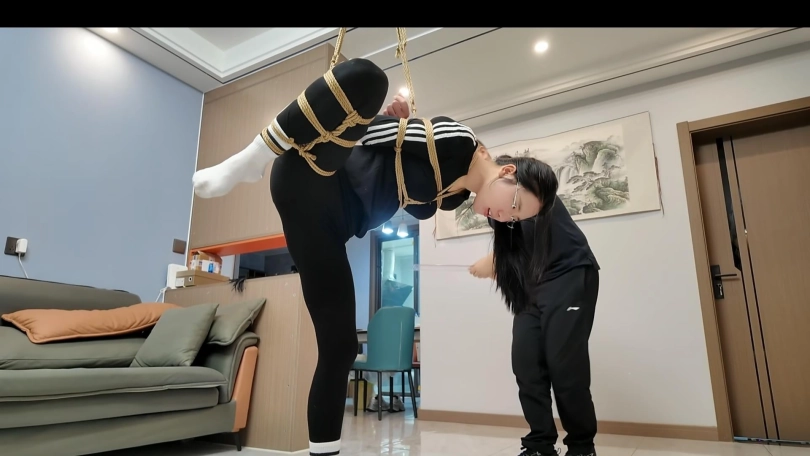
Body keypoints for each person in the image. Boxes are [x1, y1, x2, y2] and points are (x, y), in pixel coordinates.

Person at [192, 57, 558, 456]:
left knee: (340, 348)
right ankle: (252, 157)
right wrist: (394, 123)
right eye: (515, 204)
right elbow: (363, 135)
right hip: (314, 176)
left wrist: (398, 127)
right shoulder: (459, 140)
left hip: (326, 227)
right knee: (367, 78)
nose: (505, 216)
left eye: (515, 218)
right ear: (507, 171)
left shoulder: (453, 199)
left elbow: (390, 168)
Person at [468, 171, 601, 455]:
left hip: (569, 273)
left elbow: (535, 220)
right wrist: (500, 266)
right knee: (526, 364)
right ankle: (540, 444)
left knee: (564, 366)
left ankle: (582, 447)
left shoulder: (523, 177)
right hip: (531, 285)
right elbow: (519, 249)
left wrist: (494, 259)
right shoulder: (491, 208)